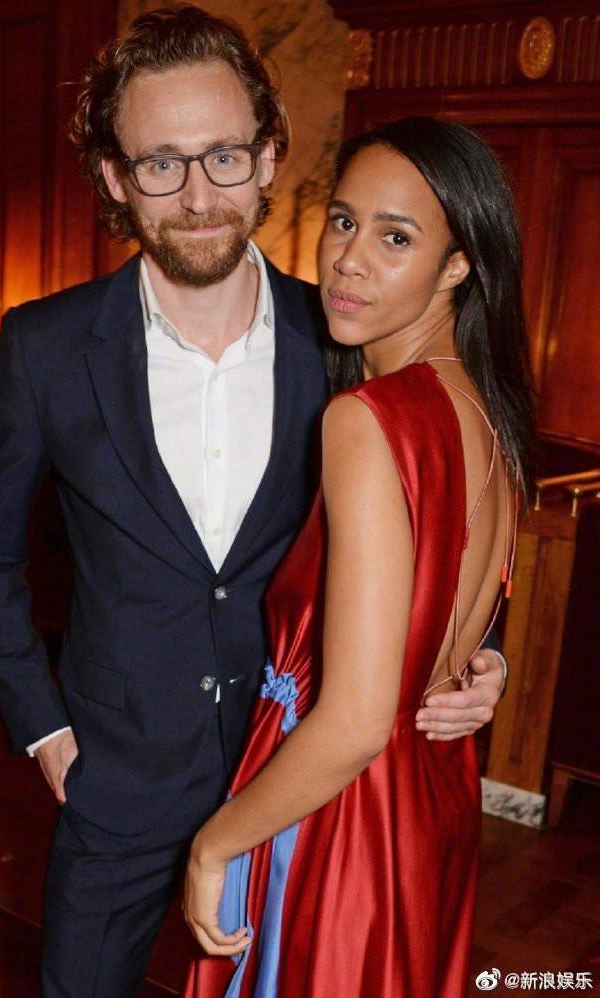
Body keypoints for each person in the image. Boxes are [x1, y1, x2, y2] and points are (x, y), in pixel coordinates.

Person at [0, 7, 506, 995]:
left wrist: (476, 656)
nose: (200, 195)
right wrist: (44, 726)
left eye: (224, 156)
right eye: (162, 163)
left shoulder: (344, 338)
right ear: (115, 178)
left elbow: (437, 509)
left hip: (296, 782)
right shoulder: (44, 347)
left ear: (268, 156)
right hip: (115, 779)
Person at [182, 116, 536, 997]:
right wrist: (484, 665)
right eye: (344, 221)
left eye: (395, 237)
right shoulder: (489, 420)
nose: (348, 259)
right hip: (428, 801)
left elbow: (353, 723)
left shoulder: (367, 421)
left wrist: (214, 844)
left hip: (337, 818)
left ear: (457, 267)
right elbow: (441, 628)